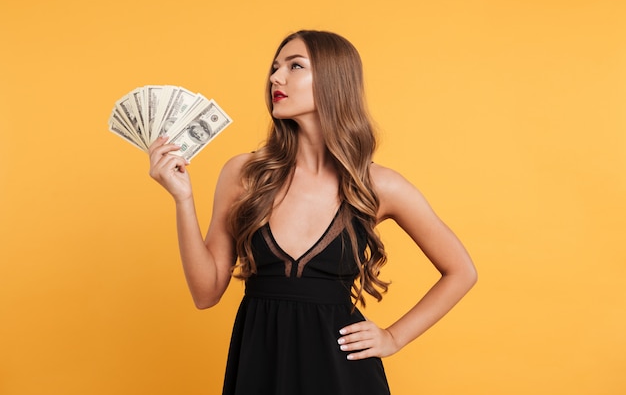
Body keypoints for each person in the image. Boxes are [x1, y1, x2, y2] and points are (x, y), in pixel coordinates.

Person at [148, 30, 477, 395]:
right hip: (260, 369)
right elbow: (205, 293)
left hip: (343, 376)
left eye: (294, 66)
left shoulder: (379, 185)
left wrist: (393, 338)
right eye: (275, 68)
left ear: (333, 80)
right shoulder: (244, 174)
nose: (275, 77)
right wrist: (183, 199)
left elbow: (461, 271)